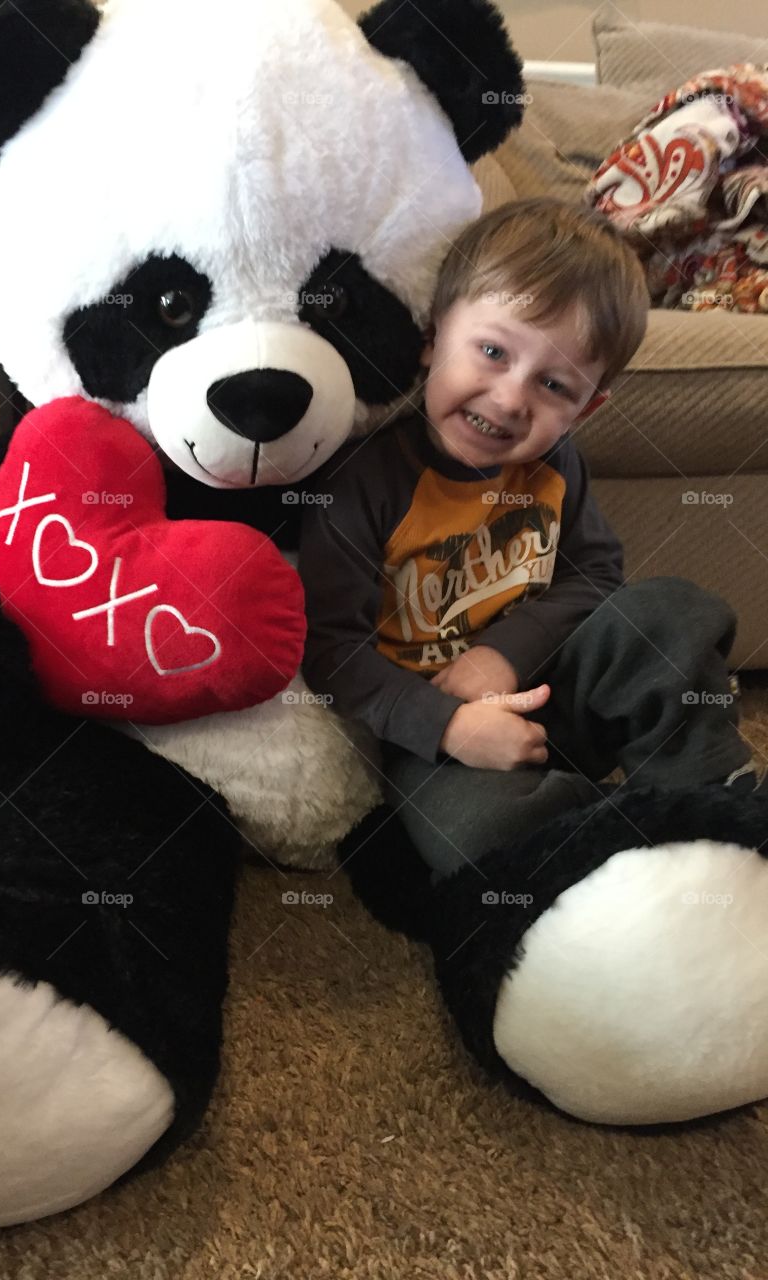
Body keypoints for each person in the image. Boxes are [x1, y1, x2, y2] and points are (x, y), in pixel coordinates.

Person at [299, 196, 758, 881]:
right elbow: (332, 649)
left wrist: (502, 656)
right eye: (490, 351)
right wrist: (449, 728)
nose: (512, 400)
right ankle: (613, 834)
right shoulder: (362, 479)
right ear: (432, 337)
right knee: (471, 836)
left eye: (553, 384)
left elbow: (596, 575)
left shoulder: (554, 464)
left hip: (557, 690)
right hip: (439, 738)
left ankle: (714, 796)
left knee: (668, 611)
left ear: (588, 407)